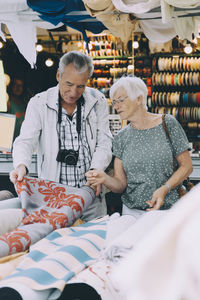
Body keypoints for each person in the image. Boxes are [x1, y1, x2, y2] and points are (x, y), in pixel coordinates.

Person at [9, 51, 113, 222]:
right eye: (69, 84)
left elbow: (104, 141)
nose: (73, 92)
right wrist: (21, 165)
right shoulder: (39, 102)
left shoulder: (97, 100)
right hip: (54, 197)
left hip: (90, 193)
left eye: (80, 86)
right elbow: (25, 141)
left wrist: (96, 170)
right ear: (58, 75)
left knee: (93, 242)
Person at [86, 76, 193, 218]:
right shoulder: (121, 137)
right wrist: (104, 178)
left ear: (139, 99)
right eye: (114, 102)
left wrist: (164, 189)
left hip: (169, 212)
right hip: (133, 213)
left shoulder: (167, 123)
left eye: (121, 100)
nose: (116, 106)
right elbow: (121, 184)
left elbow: (186, 166)